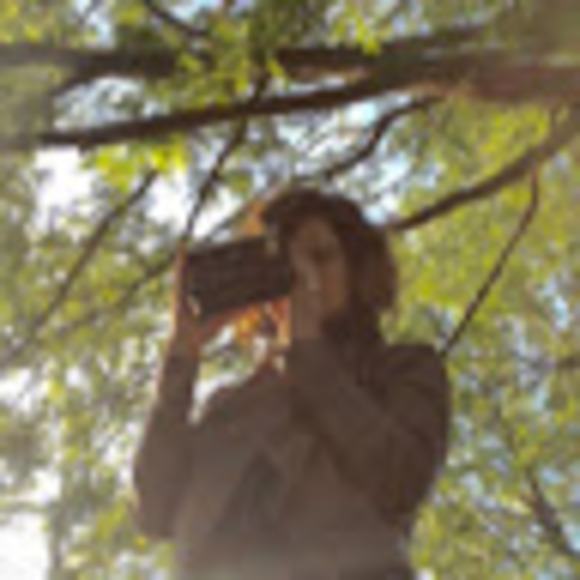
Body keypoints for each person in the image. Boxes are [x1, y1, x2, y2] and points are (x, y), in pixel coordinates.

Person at [132, 187, 451, 580]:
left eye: (320, 257)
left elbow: (401, 480)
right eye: (287, 263)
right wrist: (182, 355)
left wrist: (308, 351)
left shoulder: (402, 366)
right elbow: (155, 510)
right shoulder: (228, 404)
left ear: (356, 270)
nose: (303, 276)